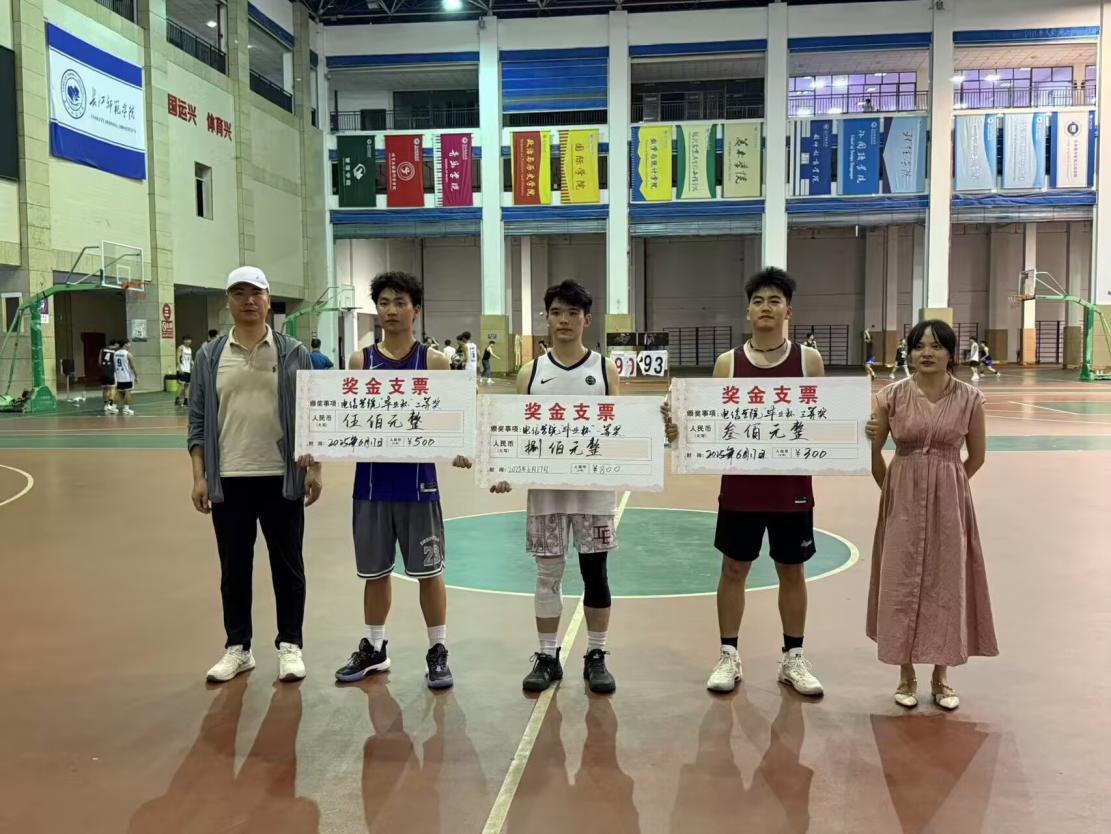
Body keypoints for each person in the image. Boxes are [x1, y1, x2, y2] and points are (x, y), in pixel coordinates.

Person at [662, 267, 825, 697]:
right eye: (758, 301)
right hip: (740, 487)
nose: (765, 307)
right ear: (748, 311)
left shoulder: (808, 361)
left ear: (788, 310)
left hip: (791, 488)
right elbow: (711, 426)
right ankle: (728, 655)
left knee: (792, 570)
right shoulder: (728, 363)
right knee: (733, 569)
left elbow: (823, 422)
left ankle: (793, 657)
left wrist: (856, 430)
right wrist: (679, 429)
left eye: (774, 300)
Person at [333, 271, 471, 691]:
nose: (391, 311)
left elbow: (454, 417)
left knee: (430, 572)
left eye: (400, 303)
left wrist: (461, 445)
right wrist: (315, 444)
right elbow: (346, 420)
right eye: (384, 303)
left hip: (418, 485)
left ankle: (438, 649)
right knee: (375, 573)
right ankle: (375, 648)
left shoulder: (434, 362)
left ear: (416, 310)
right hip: (372, 484)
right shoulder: (361, 361)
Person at [188, 265, 321, 684]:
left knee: (288, 566)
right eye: (239, 293)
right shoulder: (210, 356)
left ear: (268, 300)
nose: (248, 300)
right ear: (228, 301)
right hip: (229, 479)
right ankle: (238, 648)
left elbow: (312, 412)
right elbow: (197, 420)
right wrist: (199, 476)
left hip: (282, 477)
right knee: (234, 569)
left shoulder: (293, 352)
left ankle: (290, 645)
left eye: (256, 293)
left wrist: (315, 467)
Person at [490, 279, 621, 695]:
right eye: (556, 312)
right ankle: (548, 656)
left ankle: (596, 654)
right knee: (547, 573)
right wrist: (502, 469)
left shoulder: (604, 369)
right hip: (545, 493)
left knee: (595, 573)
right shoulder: (530, 372)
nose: (564, 320)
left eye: (572, 313)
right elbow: (513, 429)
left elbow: (620, 429)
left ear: (587, 319)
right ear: (546, 318)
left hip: (593, 492)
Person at [866, 320, 997, 711]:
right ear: (909, 352)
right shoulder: (889, 397)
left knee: (947, 580)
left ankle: (942, 674)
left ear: (950, 353)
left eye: (936, 346)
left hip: (950, 501)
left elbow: (977, 457)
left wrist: (950, 485)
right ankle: (905, 672)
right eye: (919, 346)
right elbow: (874, 455)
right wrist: (893, 491)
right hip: (901, 497)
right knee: (899, 579)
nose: (926, 353)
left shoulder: (970, 399)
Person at [113, 338, 137, 416]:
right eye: (129, 343)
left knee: (119, 392)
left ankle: (113, 408)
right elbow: (132, 367)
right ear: (125, 344)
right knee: (128, 392)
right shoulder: (128, 354)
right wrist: (136, 376)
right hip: (127, 376)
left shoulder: (115, 353)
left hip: (119, 376)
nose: (130, 345)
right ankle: (126, 409)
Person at [99, 338, 118, 414]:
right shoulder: (115, 351)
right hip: (111, 372)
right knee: (113, 388)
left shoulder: (102, 350)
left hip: (103, 371)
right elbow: (116, 363)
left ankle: (106, 405)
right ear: (115, 344)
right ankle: (110, 405)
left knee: (105, 389)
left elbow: (99, 362)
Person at [175, 337, 193, 407]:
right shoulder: (181, 348)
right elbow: (177, 358)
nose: (188, 341)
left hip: (188, 370)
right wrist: (180, 368)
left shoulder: (190, 349)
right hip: (182, 369)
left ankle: (186, 401)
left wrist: (194, 364)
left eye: (189, 340)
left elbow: (190, 360)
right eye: (186, 340)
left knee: (187, 385)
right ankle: (177, 400)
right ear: (184, 341)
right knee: (181, 384)